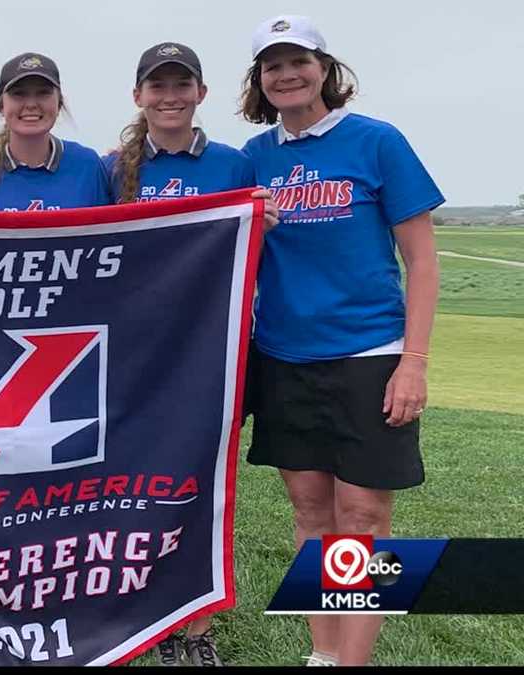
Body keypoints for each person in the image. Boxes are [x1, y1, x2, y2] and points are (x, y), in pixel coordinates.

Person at [240, 15, 442, 667]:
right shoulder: (254, 159)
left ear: (326, 69)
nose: (286, 73)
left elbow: (423, 260)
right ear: (259, 80)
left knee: (362, 517)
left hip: (369, 354)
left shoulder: (376, 142)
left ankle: (354, 660)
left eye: (298, 60)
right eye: (272, 65)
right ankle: (322, 655)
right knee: (309, 511)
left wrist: (412, 361)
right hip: (285, 358)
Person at [103, 42, 278, 667]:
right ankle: (136, 618)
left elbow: (259, 240)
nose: (170, 96)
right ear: (138, 96)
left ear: (202, 93)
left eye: (182, 84)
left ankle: (194, 630)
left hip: (211, 356)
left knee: (200, 490)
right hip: (130, 360)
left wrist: (264, 219)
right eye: (157, 85)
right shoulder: (111, 168)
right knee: (128, 490)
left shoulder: (234, 165)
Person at [0, 52, 111, 211]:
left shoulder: (87, 166)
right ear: (1, 106)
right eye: (19, 94)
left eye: (43, 93)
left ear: (59, 104)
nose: (31, 104)